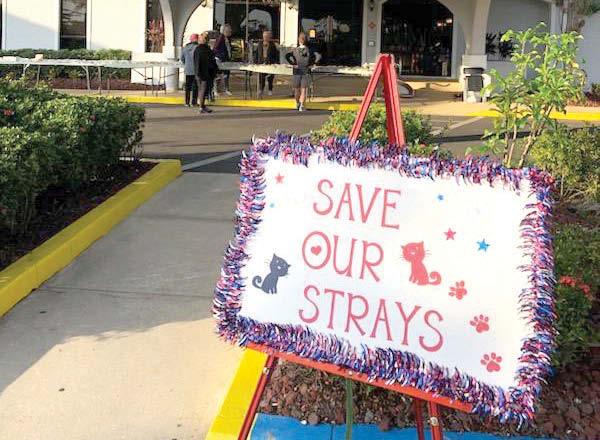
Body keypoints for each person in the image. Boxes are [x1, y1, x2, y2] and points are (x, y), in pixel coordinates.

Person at [286, 32, 320, 112]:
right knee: (303, 89)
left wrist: (293, 63)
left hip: (297, 71)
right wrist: (313, 64)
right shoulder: (310, 50)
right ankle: (302, 105)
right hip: (306, 71)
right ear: (306, 40)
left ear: (299, 40)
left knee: (296, 89)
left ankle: (297, 103)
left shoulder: (295, 50)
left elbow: (287, 56)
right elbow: (318, 56)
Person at [194, 32, 218, 114]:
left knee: (203, 89)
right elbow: (199, 61)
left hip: (203, 72)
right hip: (203, 72)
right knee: (203, 89)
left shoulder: (202, 49)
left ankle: (202, 106)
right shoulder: (203, 49)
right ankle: (201, 106)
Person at [254, 30, 279, 97]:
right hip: (261, 63)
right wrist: (255, 62)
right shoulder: (260, 44)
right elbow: (256, 53)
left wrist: (276, 63)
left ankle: (270, 90)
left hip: (270, 63)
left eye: (267, 36)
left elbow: (276, 55)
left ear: (269, 37)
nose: (265, 38)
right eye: (264, 36)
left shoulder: (272, 45)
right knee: (261, 77)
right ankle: (261, 90)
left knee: (270, 77)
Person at [213, 24, 233, 96]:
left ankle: (226, 89)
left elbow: (228, 48)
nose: (230, 31)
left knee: (226, 74)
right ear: (225, 31)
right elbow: (215, 49)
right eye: (229, 30)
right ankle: (215, 90)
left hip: (226, 59)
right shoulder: (220, 38)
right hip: (220, 60)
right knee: (218, 75)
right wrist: (221, 56)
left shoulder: (227, 38)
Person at [181, 33, 199, 107]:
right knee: (195, 87)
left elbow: (182, 58)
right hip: (196, 70)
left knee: (187, 87)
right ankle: (194, 102)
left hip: (188, 70)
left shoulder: (185, 47)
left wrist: (187, 64)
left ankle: (187, 102)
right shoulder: (198, 47)